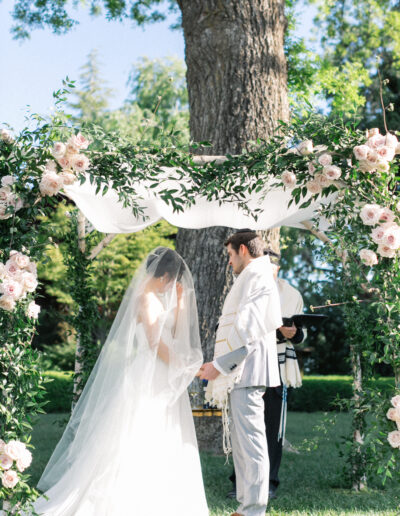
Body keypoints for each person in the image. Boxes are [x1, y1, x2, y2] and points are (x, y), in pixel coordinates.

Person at [30, 247, 209, 516]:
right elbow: (155, 343)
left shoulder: (159, 298)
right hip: (150, 374)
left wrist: (181, 303)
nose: (172, 286)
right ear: (165, 276)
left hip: (162, 372)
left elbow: (172, 332)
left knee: (164, 429)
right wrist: (186, 366)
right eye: (172, 281)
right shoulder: (146, 299)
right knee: (140, 431)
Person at [198, 231, 282, 516]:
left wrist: (219, 366)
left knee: (252, 443)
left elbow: (248, 331)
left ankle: (254, 509)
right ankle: (246, 506)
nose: (229, 261)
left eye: (231, 254)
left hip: (248, 370)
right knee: (243, 444)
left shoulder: (258, 277)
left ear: (243, 249)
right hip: (242, 372)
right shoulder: (252, 277)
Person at [228, 249, 306, 501]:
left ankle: (269, 482)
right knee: (244, 426)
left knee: (272, 428)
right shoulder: (243, 291)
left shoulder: (291, 294)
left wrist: (294, 333)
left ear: (277, 269)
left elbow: (303, 333)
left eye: (271, 268)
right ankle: (239, 480)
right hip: (248, 365)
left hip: (278, 366)